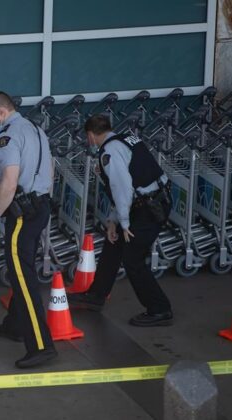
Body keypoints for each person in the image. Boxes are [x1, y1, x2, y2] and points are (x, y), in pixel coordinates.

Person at [68, 114, 173, 326]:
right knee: (113, 244)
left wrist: (122, 223)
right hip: (151, 200)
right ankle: (96, 296)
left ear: (90, 136)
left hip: (148, 208)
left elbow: (121, 188)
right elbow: (131, 185)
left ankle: (159, 309)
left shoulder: (109, 153)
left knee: (133, 258)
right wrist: (113, 222)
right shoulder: (126, 139)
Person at [0, 91, 57, 368]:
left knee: (24, 280)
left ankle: (41, 345)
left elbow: (9, 183)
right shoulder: (36, 129)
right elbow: (50, 171)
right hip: (40, 207)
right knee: (20, 271)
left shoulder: (8, 137)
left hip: (22, 214)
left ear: (0, 112)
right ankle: (15, 325)